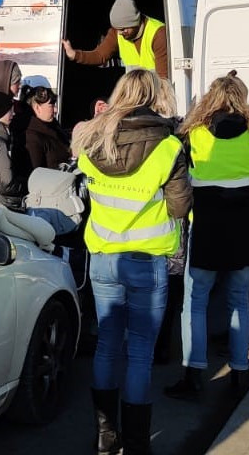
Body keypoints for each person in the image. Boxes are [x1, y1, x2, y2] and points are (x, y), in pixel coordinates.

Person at [71, 69, 191, 454]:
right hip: (147, 259)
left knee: (107, 344)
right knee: (140, 351)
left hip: (103, 257)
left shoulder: (92, 139)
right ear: (152, 96)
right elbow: (181, 205)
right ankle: (138, 444)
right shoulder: (168, 146)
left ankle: (105, 437)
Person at [165, 72, 249, 401]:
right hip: (245, 225)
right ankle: (240, 371)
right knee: (239, 300)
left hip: (208, 224)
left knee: (195, 302)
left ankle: (193, 372)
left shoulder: (196, 134)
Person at [61, 0, 169, 81]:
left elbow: (163, 78)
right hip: (135, 93)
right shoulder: (116, 32)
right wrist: (74, 54)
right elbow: (100, 55)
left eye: (123, 29)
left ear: (135, 23)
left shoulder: (158, 33)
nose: (120, 33)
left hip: (156, 92)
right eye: (117, 28)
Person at [16, 85, 72, 175]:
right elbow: (35, 176)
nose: (56, 110)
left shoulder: (53, 126)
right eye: (51, 105)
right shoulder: (31, 137)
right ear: (37, 108)